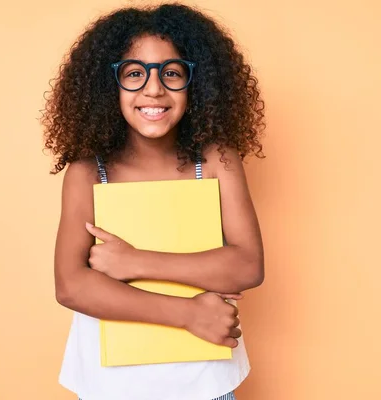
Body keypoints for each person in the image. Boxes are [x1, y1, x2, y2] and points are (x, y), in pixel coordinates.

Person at [40, 3, 266, 400]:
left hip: (205, 380)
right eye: (134, 73)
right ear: (108, 85)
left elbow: (247, 265)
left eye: (172, 73)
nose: (154, 88)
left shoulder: (216, 161)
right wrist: (188, 313)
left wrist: (135, 261)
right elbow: (71, 286)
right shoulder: (89, 172)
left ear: (197, 82)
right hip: (110, 384)